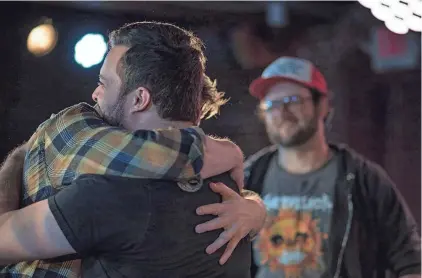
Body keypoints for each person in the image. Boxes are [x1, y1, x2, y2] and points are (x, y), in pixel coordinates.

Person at [0, 21, 266, 277]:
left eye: (104, 83)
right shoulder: (230, 191)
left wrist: (19, 161)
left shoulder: (109, 192)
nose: (95, 94)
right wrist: (256, 206)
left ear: (139, 99)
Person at [242, 56, 421, 278]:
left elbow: (411, 263)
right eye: (272, 104)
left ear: (322, 105)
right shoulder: (248, 177)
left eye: (293, 100)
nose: (282, 112)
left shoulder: (363, 179)